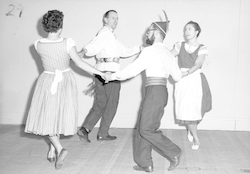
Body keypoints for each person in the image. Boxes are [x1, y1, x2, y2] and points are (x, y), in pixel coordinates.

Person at [24, 10, 106, 170]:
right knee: (58, 115)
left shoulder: (37, 44)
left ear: (45, 26)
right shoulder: (68, 42)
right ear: (60, 26)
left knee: (48, 116)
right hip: (65, 81)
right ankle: (60, 149)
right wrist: (101, 73)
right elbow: (80, 63)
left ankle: (52, 148)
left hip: (47, 81)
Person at [107, 11, 182, 172]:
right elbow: (177, 76)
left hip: (154, 92)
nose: (146, 33)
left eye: (149, 31)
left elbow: (131, 71)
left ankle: (174, 152)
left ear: (157, 33)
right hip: (159, 92)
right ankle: (145, 163)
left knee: (146, 129)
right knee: (143, 125)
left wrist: (111, 76)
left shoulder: (149, 51)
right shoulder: (167, 53)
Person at [77, 10, 142, 142]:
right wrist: (84, 51)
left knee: (100, 103)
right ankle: (103, 133)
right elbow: (94, 45)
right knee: (111, 103)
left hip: (100, 72)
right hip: (110, 73)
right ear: (105, 19)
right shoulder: (106, 33)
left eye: (117, 19)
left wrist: (141, 48)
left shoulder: (111, 36)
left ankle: (85, 129)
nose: (115, 21)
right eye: (112, 18)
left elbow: (124, 51)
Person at [171, 21, 212, 150]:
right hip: (182, 81)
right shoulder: (179, 45)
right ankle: (191, 128)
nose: (187, 32)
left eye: (190, 29)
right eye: (185, 29)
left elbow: (198, 64)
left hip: (194, 80)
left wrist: (186, 73)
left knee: (193, 110)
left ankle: (196, 139)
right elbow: (167, 56)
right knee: (185, 110)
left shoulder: (202, 48)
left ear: (196, 32)